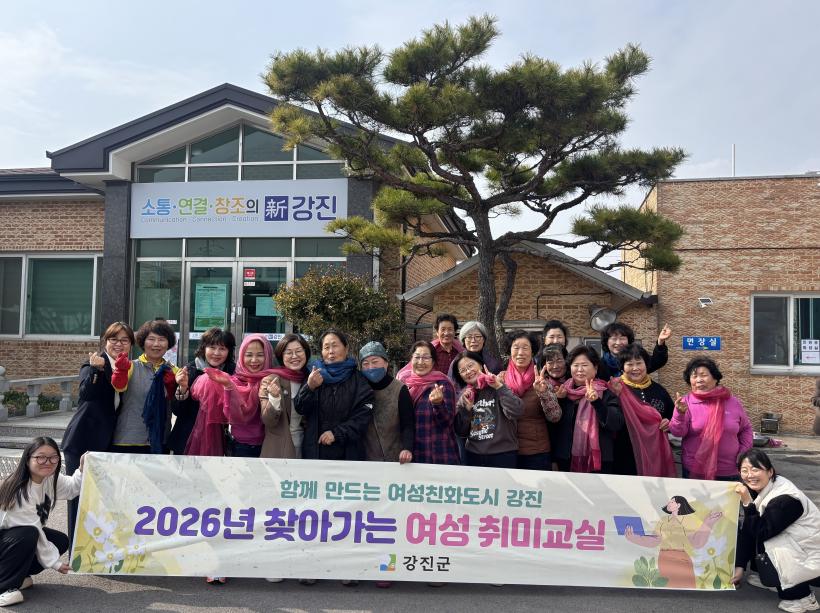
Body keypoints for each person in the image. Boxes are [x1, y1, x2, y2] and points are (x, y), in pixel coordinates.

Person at [61, 321, 134, 548]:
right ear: (105, 341)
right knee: (79, 498)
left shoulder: (127, 368)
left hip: (107, 443)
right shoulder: (93, 363)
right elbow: (86, 394)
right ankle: (75, 552)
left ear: (131, 344)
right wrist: (96, 370)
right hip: (82, 441)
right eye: (113, 339)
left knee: (101, 500)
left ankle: (95, 549)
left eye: (124, 340)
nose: (118, 344)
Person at [0, 437, 84, 607]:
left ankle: (18, 575)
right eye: (40, 457)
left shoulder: (49, 478)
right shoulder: (19, 490)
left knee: (60, 540)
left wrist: (82, 468)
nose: (48, 462)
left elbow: (71, 488)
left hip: (14, 538)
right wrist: (55, 563)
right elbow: (34, 530)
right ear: (27, 459)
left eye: (53, 457)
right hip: (10, 537)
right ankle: (4, 586)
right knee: (27, 534)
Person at [733, 449, 820, 613]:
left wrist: (747, 504)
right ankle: (774, 578)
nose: (750, 475)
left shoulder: (786, 499)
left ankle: (802, 598)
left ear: (770, 471)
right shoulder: (763, 487)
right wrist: (740, 566)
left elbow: (760, 532)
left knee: (769, 539)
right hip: (798, 545)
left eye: (755, 469)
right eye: (744, 470)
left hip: (811, 554)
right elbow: (748, 531)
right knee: (756, 527)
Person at [669, 356, 753, 481]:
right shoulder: (686, 403)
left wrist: (743, 451)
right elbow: (677, 432)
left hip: (729, 470)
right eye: (694, 376)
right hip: (695, 470)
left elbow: (746, 428)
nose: (699, 380)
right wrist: (679, 414)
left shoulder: (732, 402)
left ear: (715, 378)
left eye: (703, 375)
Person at [295, 329, 373, 462]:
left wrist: (337, 433)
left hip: (349, 454)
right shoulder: (313, 376)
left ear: (346, 349)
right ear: (321, 352)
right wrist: (309, 387)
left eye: (335, 346)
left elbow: (363, 415)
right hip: (316, 452)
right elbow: (300, 408)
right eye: (326, 347)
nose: (331, 351)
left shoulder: (359, 380)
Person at [551, 345, 624, 473]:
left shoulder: (605, 393)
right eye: (575, 365)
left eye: (584, 365)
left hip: (598, 463)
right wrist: (559, 400)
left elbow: (615, 424)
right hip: (565, 460)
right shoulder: (562, 392)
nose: (580, 370)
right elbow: (553, 429)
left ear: (595, 368)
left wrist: (597, 402)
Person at [110, 318, 179, 454]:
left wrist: (177, 388)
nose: (156, 344)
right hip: (128, 438)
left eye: (162, 339)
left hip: (160, 440)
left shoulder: (174, 371)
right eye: (151, 339)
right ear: (143, 342)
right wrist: (120, 371)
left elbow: (177, 405)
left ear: (168, 343)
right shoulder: (130, 366)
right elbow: (118, 387)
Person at [625, 495, 723, 589]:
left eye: (672, 502)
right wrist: (634, 538)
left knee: (685, 588)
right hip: (665, 560)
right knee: (668, 588)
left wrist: (708, 523)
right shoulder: (663, 521)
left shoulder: (687, 521)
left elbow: (697, 543)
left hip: (682, 559)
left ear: (678, 505)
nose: (669, 503)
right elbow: (654, 540)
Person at [608, 343, 677, 477]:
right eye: (629, 364)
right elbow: (607, 419)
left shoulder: (659, 391)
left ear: (646, 364)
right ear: (622, 367)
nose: (635, 368)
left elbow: (673, 417)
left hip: (655, 455)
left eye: (639, 363)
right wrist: (615, 396)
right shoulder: (614, 388)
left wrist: (669, 423)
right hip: (623, 455)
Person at [168, 327, 236, 455]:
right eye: (212, 347)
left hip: (218, 440)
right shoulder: (190, 370)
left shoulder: (232, 373)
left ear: (229, 351)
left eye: (222, 348)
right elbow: (177, 411)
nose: (216, 353)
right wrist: (183, 388)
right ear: (204, 348)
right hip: (187, 439)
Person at [502, 331, 561, 471]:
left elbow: (555, 417)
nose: (520, 353)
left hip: (536, 452)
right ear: (509, 351)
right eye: (516, 347)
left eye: (525, 348)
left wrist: (543, 393)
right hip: (505, 450)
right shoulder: (500, 380)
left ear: (532, 352)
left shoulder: (542, 381)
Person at [452, 351, 522, 468]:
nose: (468, 371)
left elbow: (517, 411)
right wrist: (467, 410)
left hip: (503, 454)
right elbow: (460, 431)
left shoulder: (498, 385)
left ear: (480, 365)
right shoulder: (465, 397)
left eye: (470, 365)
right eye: (463, 370)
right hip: (473, 455)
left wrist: (499, 387)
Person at [397, 341, 459, 465]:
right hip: (412, 456)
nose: (421, 362)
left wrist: (438, 404)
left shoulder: (442, 384)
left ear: (433, 361)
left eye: (426, 358)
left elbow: (447, 422)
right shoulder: (403, 385)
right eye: (417, 357)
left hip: (439, 455)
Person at [358, 341, 414, 465]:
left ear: (386, 363)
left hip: (396, 459)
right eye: (365, 363)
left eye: (375, 362)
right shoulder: (359, 389)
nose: (370, 367)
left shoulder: (399, 389)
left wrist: (407, 448)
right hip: (365, 461)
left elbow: (408, 424)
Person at [259, 334, 310, 460]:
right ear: (281, 356)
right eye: (288, 352)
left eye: (299, 351)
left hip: (307, 448)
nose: (294, 356)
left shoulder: (310, 378)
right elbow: (268, 421)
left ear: (306, 353)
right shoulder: (271, 380)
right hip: (280, 450)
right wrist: (274, 398)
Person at [597, 322, 671, 380]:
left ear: (628, 341)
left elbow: (658, 361)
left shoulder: (637, 358)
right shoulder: (599, 365)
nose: (618, 343)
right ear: (606, 341)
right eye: (614, 339)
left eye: (622, 338)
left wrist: (660, 342)